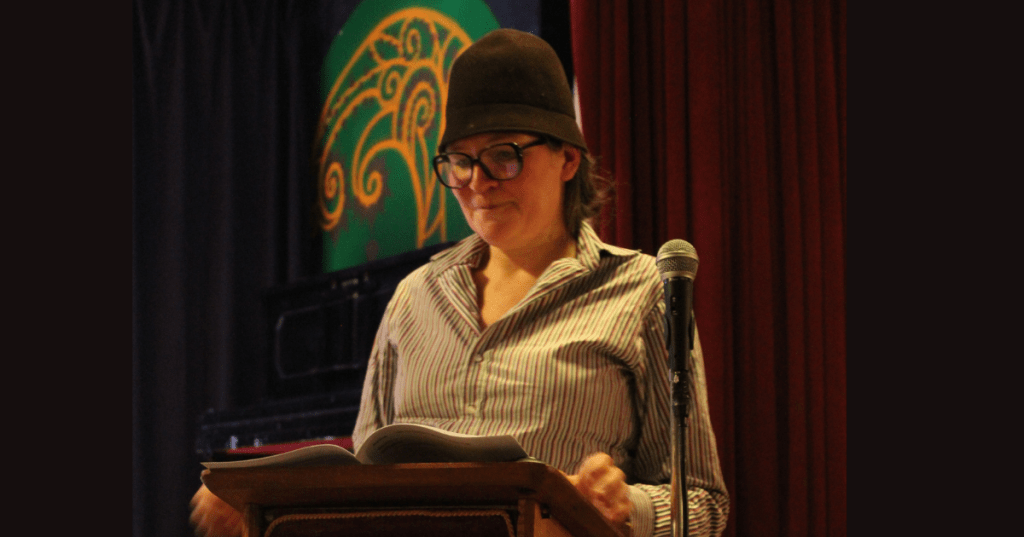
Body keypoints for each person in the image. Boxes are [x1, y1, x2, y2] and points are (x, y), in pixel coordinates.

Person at [191, 28, 729, 537]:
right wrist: (263, 505)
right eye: (459, 161)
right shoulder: (414, 297)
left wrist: (626, 507)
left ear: (568, 158)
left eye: (503, 156)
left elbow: (705, 504)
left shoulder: (638, 291)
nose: (477, 182)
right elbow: (358, 488)